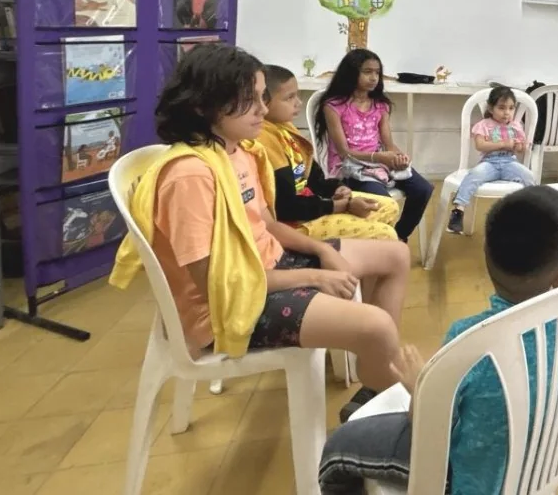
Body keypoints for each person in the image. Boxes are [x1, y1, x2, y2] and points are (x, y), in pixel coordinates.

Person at [109, 44, 411, 409]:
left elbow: (266, 224)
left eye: (261, 97)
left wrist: (319, 250)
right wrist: (314, 277)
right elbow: (214, 283)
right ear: (207, 104)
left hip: (269, 268)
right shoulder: (189, 175)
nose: (264, 110)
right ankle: (385, 406)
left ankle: (375, 386)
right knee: (376, 327)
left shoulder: (238, 151)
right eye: (250, 100)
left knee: (396, 254)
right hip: (227, 306)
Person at [318, 185, 558, 495]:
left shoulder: (468, 340)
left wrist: (420, 385)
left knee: (336, 453)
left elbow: (431, 427)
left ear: (486, 260)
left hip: (468, 478)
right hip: (537, 464)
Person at [257, 64, 400, 242]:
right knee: (386, 234)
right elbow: (285, 206)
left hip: (312, 204)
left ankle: (356, 257)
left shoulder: (285, 129)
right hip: (294, 223)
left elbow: (312, 178)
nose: (298, 103)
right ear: (262, 101)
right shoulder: (263, 139)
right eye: (289, 97)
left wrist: (336, 188)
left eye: (297, 95)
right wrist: (336, 206)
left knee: (389, 206)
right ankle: (344, 259)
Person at [314, 49, 434, 243]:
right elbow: (344, 151)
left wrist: (400, 157)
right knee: (383, 201)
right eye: (367, 72)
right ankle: (381, 241)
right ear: (352, 72)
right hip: (350, 167)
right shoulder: (334, 106)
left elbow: (388, 144)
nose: (373, 78)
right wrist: (379, 157)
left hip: (380, 162)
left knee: (423, 189)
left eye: (377, 73)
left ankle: (399, 236)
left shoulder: (380, 105)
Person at [447, 85, 535, 234]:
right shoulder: (483, 125)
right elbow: (480, 145)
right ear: (491, 108)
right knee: (474, 175)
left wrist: (521, 146)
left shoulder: (516, 126)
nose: (507, 113)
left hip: (509, 163)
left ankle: (532, 212)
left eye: (511, 108)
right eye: (501, 108)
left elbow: (520, 149)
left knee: (529, 176)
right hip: (490, 163)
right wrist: (503, 143)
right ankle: (458, 211)